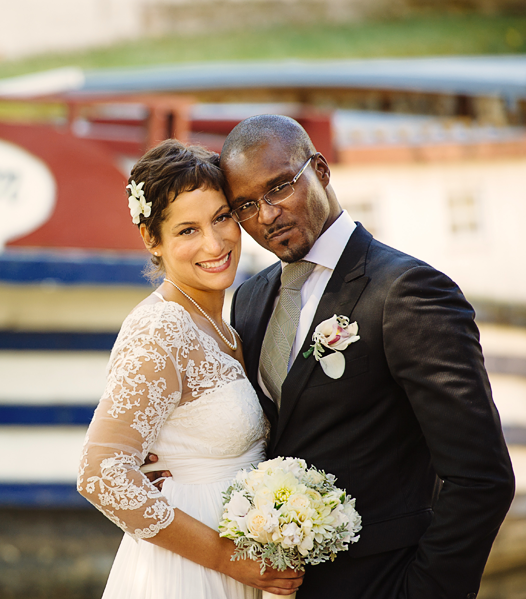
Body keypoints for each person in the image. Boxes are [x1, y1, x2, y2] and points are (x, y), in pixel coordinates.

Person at [218, 114, 516, 598]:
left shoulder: (407, 291)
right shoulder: (250, 298)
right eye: (246, 205)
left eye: (279, 188)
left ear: (321, 170)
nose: (266, 215)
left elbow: (481, 478)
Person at [77, 139, 304, 598]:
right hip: (189, 574)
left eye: (221, 218)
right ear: (151, 239)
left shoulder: (223, 325)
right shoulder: (160, 329)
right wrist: (227, 557)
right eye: (187, 230)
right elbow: (100, 473)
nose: (215, 243)